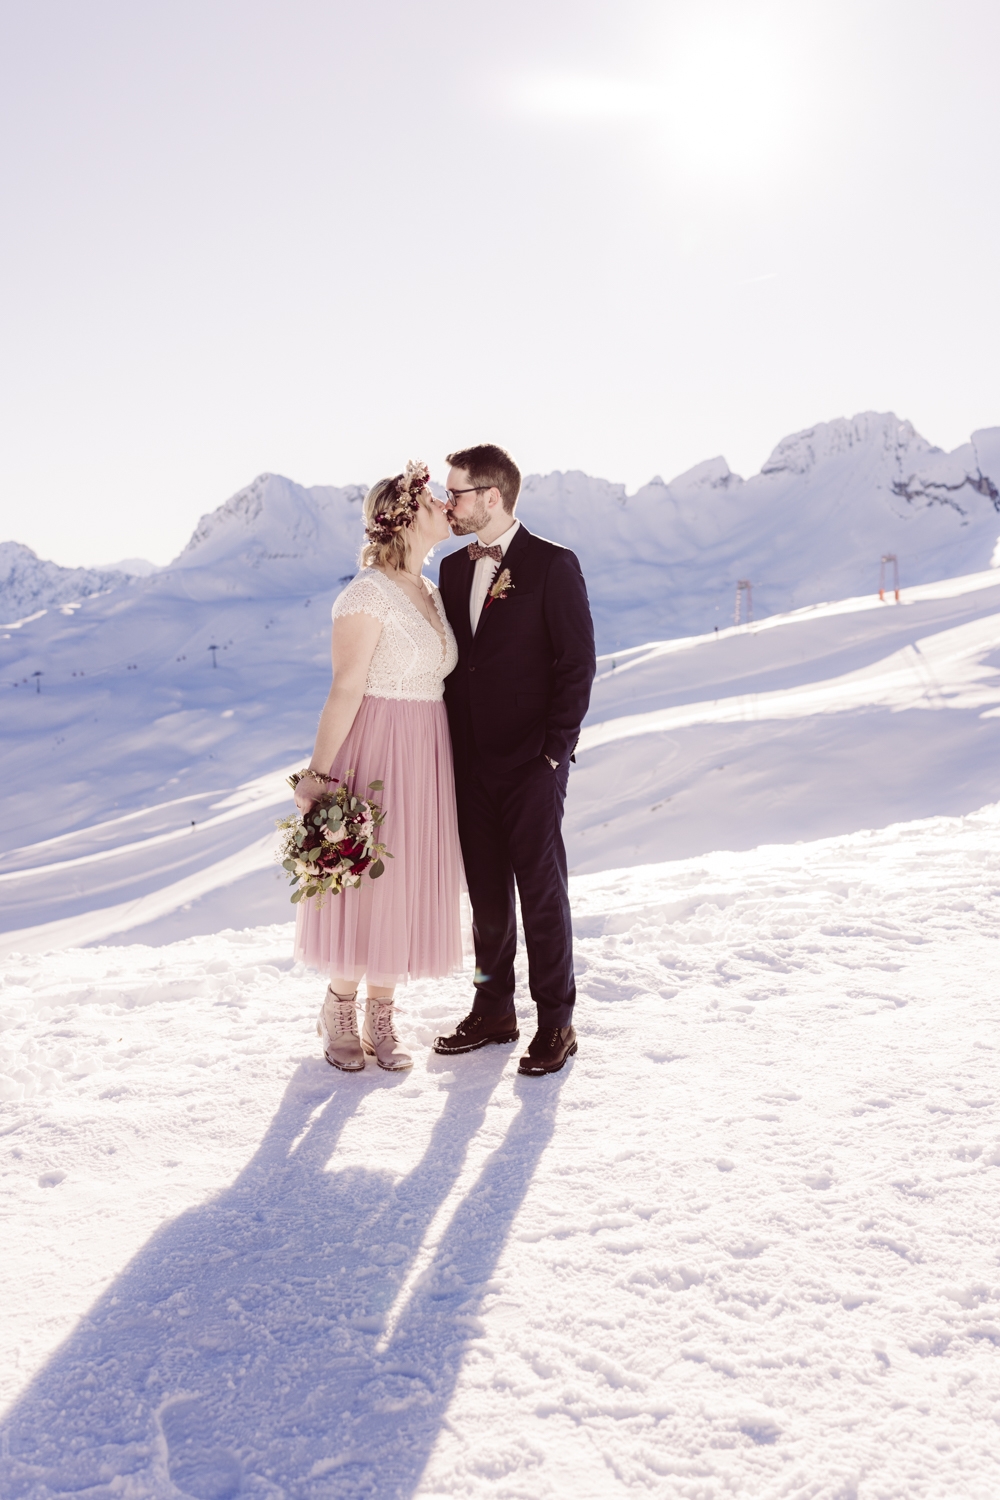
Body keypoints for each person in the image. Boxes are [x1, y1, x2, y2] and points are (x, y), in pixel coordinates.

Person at [293, 460, 464, 1072]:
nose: (448, 504)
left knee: (409, 875)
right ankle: (340, 1006)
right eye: (435, 498)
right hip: (377, 750)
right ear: (408, 516)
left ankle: (382, 1014)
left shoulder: (433, 591)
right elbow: (344, 687)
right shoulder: (365, 593)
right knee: (368, 878)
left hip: (427, 748)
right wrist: (316, 774)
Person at [434, 444, 596, 1075]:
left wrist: (554, 753)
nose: (449, 503)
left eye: (458, 493)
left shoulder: (554, 565)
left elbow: (576, 663)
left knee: (541, 893)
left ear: (492, 496)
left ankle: (556, 1022)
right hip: (469, 762)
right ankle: (493, 1009)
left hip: (532, 764)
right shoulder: (450, 571)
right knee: (486, 896)